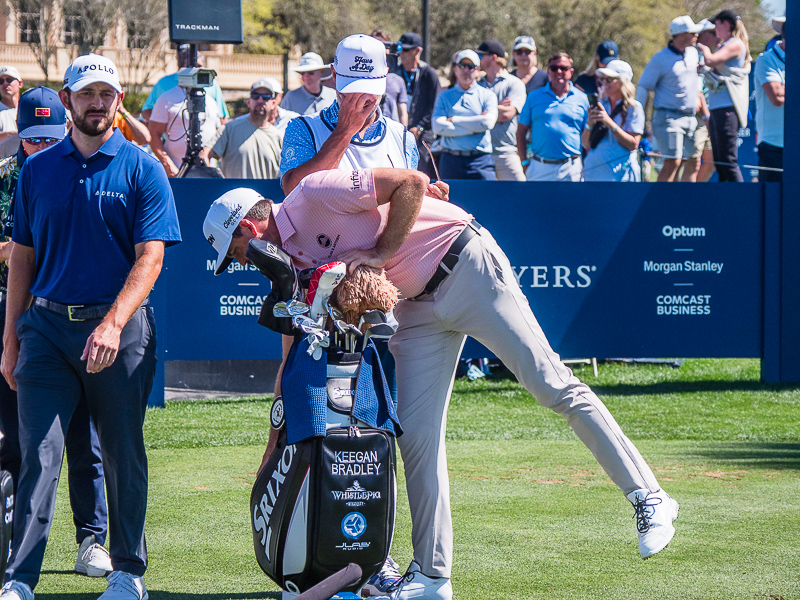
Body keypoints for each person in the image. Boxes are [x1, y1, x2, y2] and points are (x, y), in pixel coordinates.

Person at [203, 167, 680, 600]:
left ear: (248, 229)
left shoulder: (310, 194)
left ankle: (649, 497)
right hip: (414, 308)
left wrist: (379, 253)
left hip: (464, 263)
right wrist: (277, 429)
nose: (242, 263)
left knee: (551, 383)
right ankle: (432, 576)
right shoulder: (289, 262)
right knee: (415, 435)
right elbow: (300, 338)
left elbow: (410, 183)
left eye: (236, 253)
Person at [0, 53, 181, 600]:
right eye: (86, 94)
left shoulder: (143, 167)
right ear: (67, 100)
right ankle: (20, 579)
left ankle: (127, 571)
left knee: (122, 452)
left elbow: (151, 257)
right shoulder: (37, 170)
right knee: (39, 454)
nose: (97, 103)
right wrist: (10, 338)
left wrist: (112, 323)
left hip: (120, 333)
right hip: (46, 329)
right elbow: (23, 257)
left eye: (106, 94)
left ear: (119, 101)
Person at [277, 34, 436, 598]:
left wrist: (430, 198)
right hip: (316, 304)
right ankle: (308, 547)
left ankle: (374, 554)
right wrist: (343, 133)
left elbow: (410, 207)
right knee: (311, 423)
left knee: (374, 426)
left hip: (378, 304)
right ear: (335, 82)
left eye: (370, 90)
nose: (363, 100)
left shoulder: (402, 137)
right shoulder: (304, 127)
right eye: (352, 90)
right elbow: (293, 191)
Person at [0, 85, 113, 586]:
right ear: (18, 135)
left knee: (84, 436)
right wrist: (16, 249)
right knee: (20, 437)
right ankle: (14, 545)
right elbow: (18, 251)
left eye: (50, 137)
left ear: (65, 125)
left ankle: (91, 539)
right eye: (33, 139)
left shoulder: (78, 168)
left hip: (72, 315)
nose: (41, 147)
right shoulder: (8, 177)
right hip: (12, 313)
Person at [636, 16, 701, 182]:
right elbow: (644, 86)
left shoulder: (693, 54)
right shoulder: (660, 59)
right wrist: (637, 118)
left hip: (690, 118)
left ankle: (679, 197)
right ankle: (661, 197)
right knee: (673, 161)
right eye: (692, 32)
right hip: (668, 118)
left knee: (689, 162)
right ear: (681, 35)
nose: (696, 35)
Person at [697, 9, 751, 183]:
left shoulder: (735, 44)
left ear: (726, 25)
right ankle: (726, 195)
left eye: (717, 25)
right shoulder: (726, 45)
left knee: (728, 160)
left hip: (727, 109)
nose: (715, 29)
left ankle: (741, 196)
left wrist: (703, 48)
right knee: (720, 162)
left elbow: (711, 60)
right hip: (717, 109)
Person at [516, 52, 589, 182]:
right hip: (540, 167)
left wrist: (586, 163)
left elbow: (587, 134)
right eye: (554, 68)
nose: (558, 72)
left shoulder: (582, 98)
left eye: (563, 68)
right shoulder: (534, 97)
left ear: (571, 72)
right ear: (548, 71)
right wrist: (524, 162)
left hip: (571, 167)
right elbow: (521, 131)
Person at [433, 49, 498, 180]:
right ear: (455, 69)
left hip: (480, 160)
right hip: (450, 161)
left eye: (470, 66)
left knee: (488, 194)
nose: (466, 70)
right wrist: (475, 127)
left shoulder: (487, 95)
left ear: (478, 70)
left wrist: (454, 120)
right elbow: (437, 127)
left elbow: (487, 123)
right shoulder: (444, 96)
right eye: (462, 66)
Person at [204, 78, 283, 179]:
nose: (260, 100)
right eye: (255, 96)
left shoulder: (279, 137)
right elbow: (204, 154)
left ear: (273, 104)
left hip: (267, 190)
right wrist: (212, 182)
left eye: (266, 97)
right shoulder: (229, 129)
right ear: (249, 102)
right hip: (234, 190)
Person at [582, 60, 644, 181]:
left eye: (609, 79)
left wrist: (609, 122)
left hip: (621, 175)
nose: (605, 83)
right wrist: (589, 124)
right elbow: (585, 144)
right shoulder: (600, 104)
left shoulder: (634, 108)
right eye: (603, 79)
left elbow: (633, 145)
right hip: (594, 173)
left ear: (624, 81)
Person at [147, 79, 222, 177]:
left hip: (207, 173)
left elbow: (219, 133)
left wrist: (207, 154)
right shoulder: (167, 98)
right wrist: (167, 164)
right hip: (176, 172)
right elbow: (153, 133)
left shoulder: (211, 101)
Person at [140, 45, 230, 124]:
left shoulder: (212, 84)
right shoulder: (163, 83)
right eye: (190, 67)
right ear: (180, 68)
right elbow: (146, 112)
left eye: (199, 66)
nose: (195, 70)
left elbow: (222, 118)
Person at [477, 40, 527, 181]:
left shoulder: (514, 83)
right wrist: (497, 106)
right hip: (480, 153)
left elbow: (507, 114)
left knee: (521, 191)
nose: (478, 60)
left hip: (506, 153)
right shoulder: (477, 84)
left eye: (481, 56)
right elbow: (469, 113)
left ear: (493, 57)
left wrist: (483, 110)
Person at [393, 32, 441, 178]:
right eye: (400, 49)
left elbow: (434, 105)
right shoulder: (395, 73)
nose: (402, 53)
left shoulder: (429, 74)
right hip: (398, 129)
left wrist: (420, 127)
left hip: (422, 133)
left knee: (421, 168)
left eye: (406, 50)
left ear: (418, 50)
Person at [682, 19, 717, 183]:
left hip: (708, 118)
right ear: (702, 35)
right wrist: (706, 117)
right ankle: (687, 196)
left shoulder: (711, 57)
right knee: (693, 162)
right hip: (698, 119)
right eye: (713, 33)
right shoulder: (693, 56)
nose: (718, 36)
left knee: (713, 160)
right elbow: (697, 93)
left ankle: (696, 192)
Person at [754, 15, 784, 184]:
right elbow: (777, 97)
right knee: (773, 197)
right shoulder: (766, 59)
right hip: (773, 146)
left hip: (796, 145)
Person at [370, 30, 410, 126]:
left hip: (390, 129)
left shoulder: (398, 80)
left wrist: (404, 132)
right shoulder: (363, 78)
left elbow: (403, 112)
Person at [0, 67, 22, 141]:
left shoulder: (28, 110)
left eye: (9, 80)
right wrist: (13, 135)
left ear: (20, 83)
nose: (5, 83)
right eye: (1, 81)